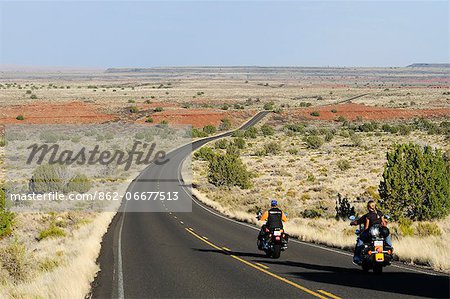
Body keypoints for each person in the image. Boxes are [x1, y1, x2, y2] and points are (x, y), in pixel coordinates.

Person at [350, 200, 392, 265]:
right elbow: (384, 224)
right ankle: (390, 252)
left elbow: (366, 227)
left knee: (360, 239)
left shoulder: (368, 216)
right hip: (381, 233)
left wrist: (362, 232)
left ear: (368, 207)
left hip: (371, 233)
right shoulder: (380, 213)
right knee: (388, 239)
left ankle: (357, 257)